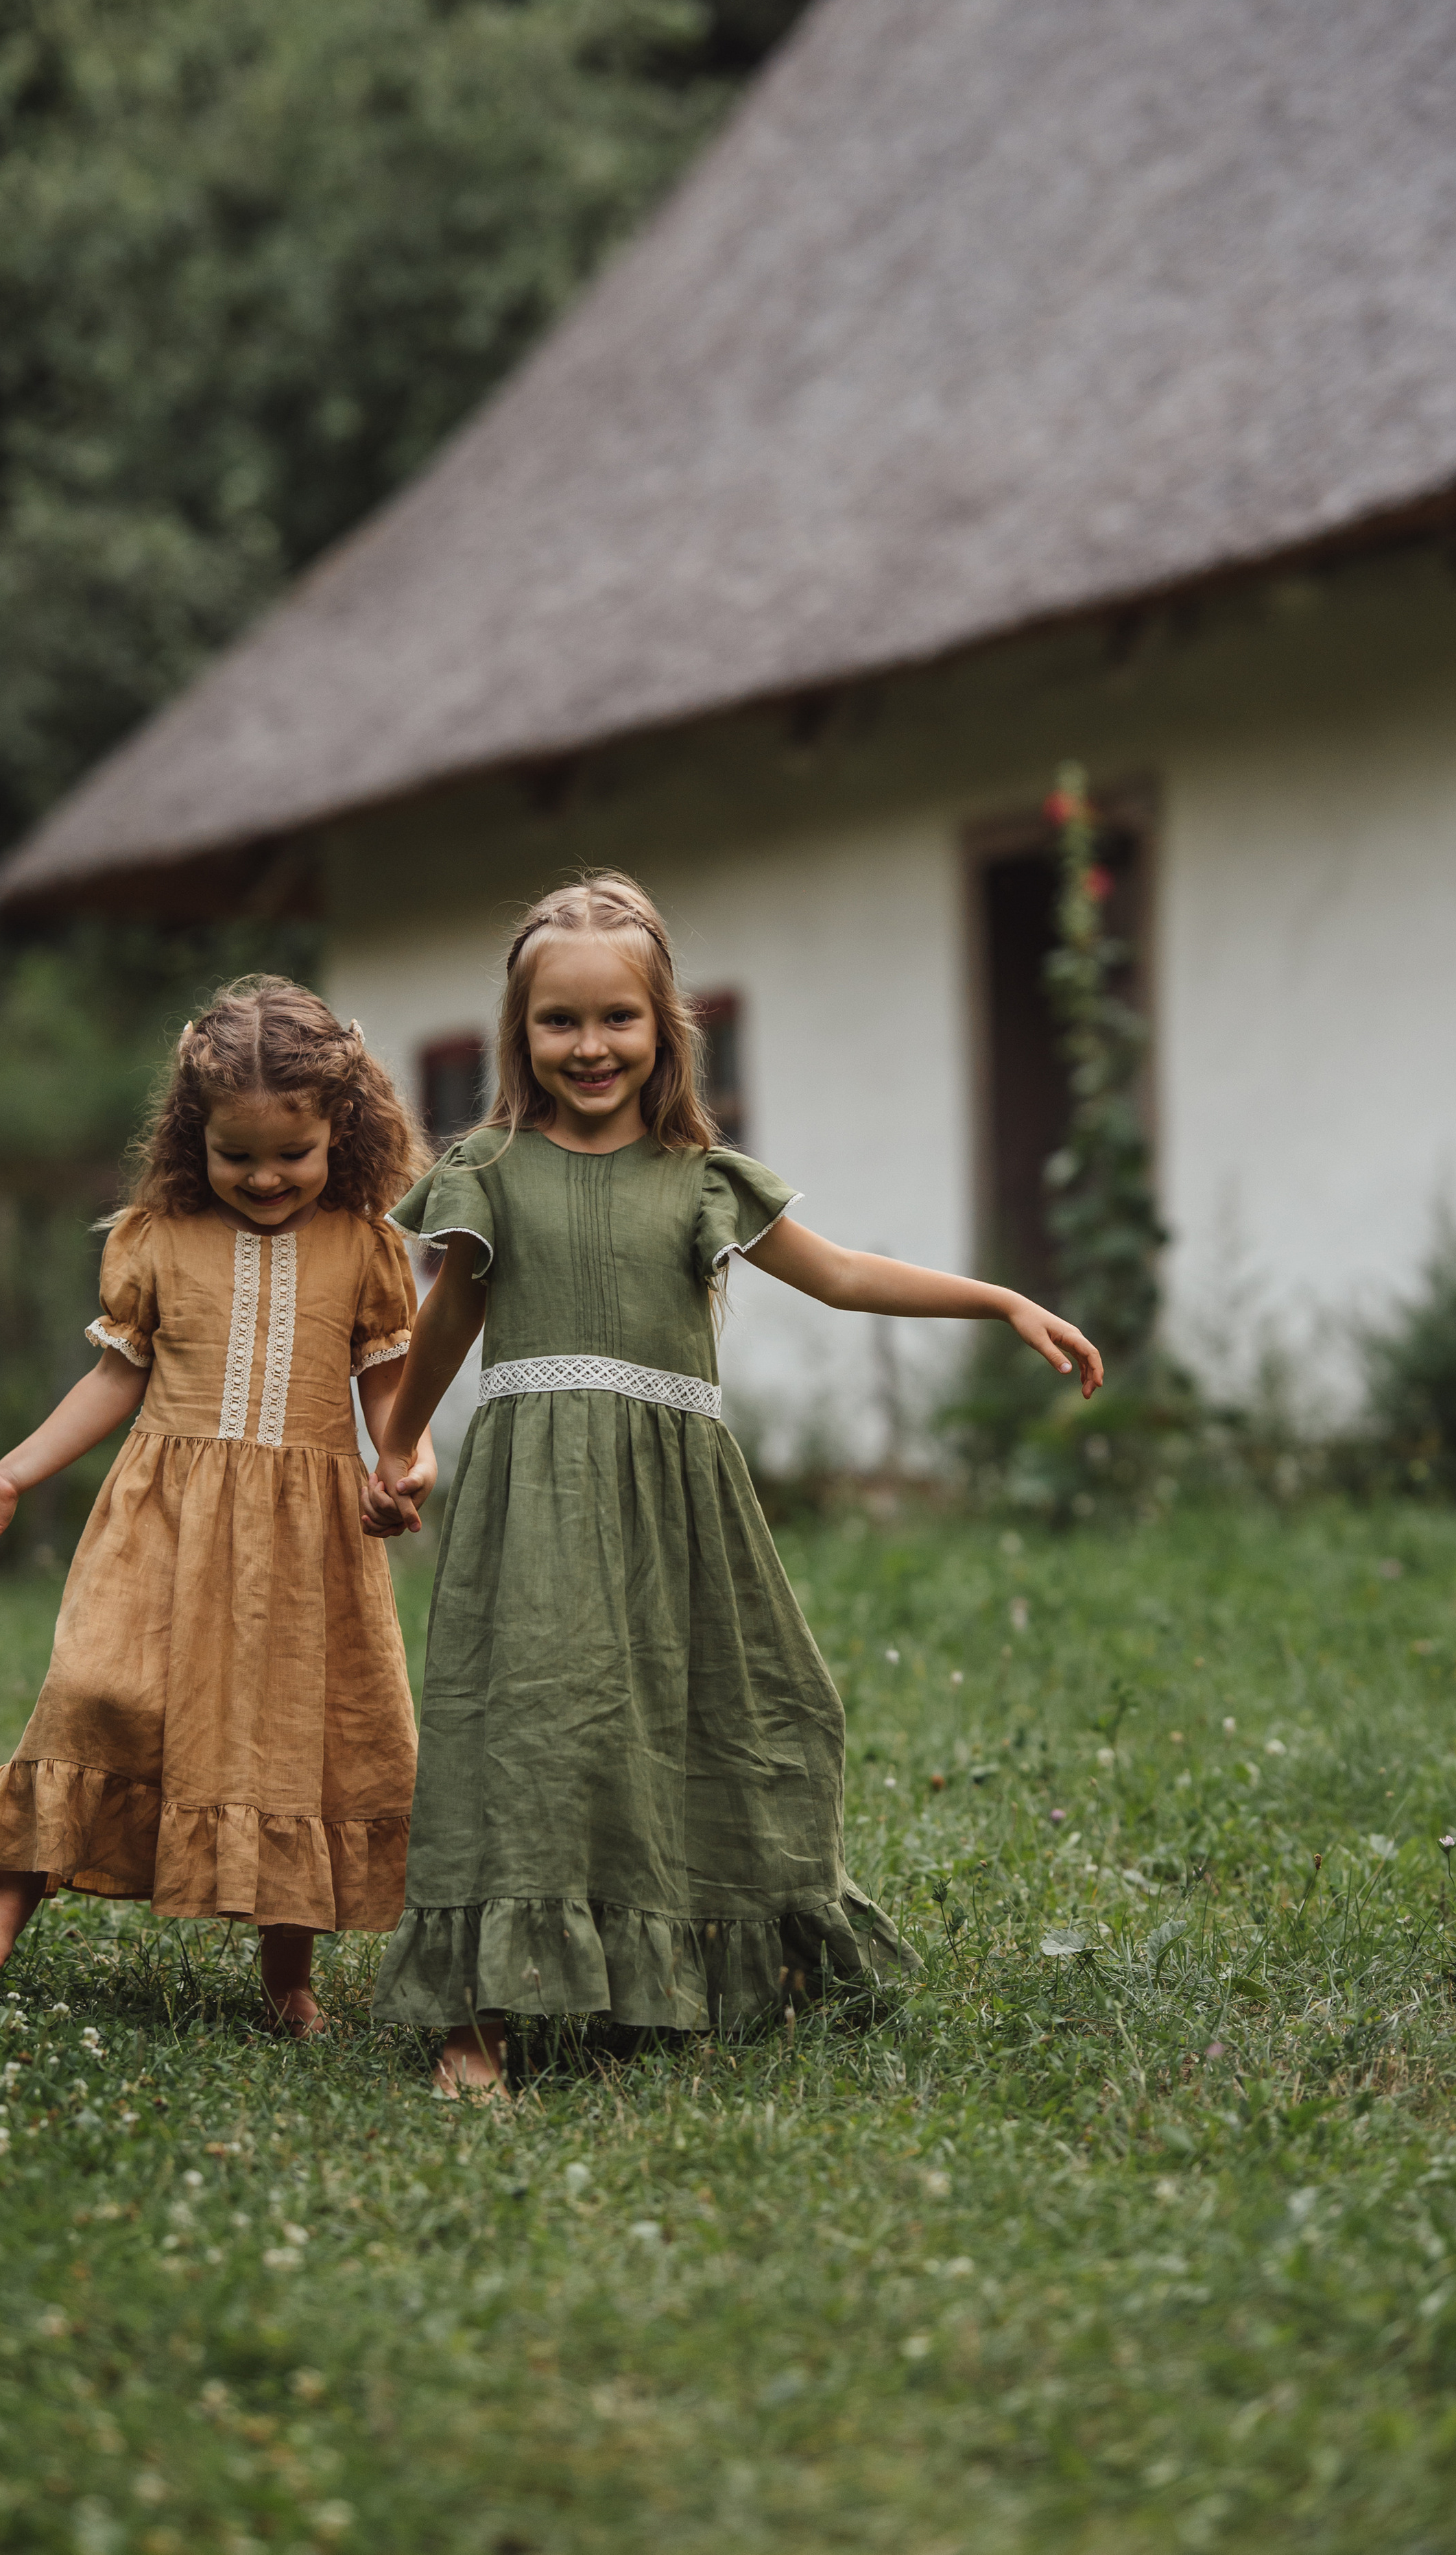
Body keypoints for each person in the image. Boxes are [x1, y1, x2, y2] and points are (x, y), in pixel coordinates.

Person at [364, 875, 1102, 2096]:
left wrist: (1004, 1299)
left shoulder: (703, 1175)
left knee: (728, 1708)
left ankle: (704, 1966)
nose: (590, 1046)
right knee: (529, 1729)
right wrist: (396, 1446)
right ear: (521, 1031)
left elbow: (848, 1276)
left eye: (618, 1019)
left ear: (664, 1029)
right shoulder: (488, 1168)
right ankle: (480, 2018)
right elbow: (446, 1323)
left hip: (677, 1499)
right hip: (531, 1497)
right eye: (561, 1021)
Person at [0, 977, 432, 2039]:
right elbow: (116, 1377)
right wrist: (16, 1472)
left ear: (338, 1132)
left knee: (292, 1735)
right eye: (235, 1153)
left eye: (289, 1155)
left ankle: (288, 1978)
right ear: (191, 1135)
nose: (263, 1176)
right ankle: (18, 1883)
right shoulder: (158, 1235)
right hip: (164, 1514)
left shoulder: (364, 1243)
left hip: (305, 1536)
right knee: (99, 1682)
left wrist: (405, 1460)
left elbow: (390, 1383)